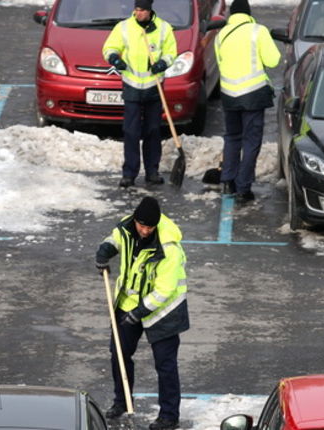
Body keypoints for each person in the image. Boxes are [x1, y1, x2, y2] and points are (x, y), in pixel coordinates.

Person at [95, 196, 189, 430]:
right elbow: (115, 238)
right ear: (135, 220)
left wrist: (140, 311)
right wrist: (105, 250)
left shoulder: (169, 248)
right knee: (119, 353)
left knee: (165, 364)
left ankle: (169, 415)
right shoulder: (127, 227)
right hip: (129, 303)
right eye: (142, 226)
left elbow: (164, 290)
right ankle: (122, 400)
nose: (145, 231)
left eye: (150, 227)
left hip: (163, 311)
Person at [102, 0, 177, 188]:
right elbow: (109, 47)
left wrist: (163, 63)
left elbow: (171, 52)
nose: (138, 13)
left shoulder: (163, 28)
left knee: (152, 131)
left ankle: (152, 171)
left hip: (154, 86)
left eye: (142, 10)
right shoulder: (124, 27)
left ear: (149, 10)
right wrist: (114, 58)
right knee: (131, 131)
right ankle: (129, 173)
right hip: (132, 86)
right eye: (135, 9)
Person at [214, 0, 281, 203]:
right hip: (252, 94)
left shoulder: (221, 35)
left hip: (229, 95)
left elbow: (220, 62)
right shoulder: (257, 31)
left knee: (232, 137)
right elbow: (273, 60)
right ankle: (244, 187)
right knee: (251, 141)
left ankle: (227, 181)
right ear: (249, 13)